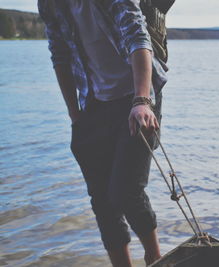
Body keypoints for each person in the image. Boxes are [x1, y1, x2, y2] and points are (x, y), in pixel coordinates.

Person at [38, 0, 168, 266]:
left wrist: (141, 100)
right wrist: (75, 115)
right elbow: (59, 55)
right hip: (93, 105)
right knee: (102, 199)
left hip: (136, 98)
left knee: (125, 190)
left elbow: (137, 37)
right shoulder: (50, 4)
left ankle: (155, 258)